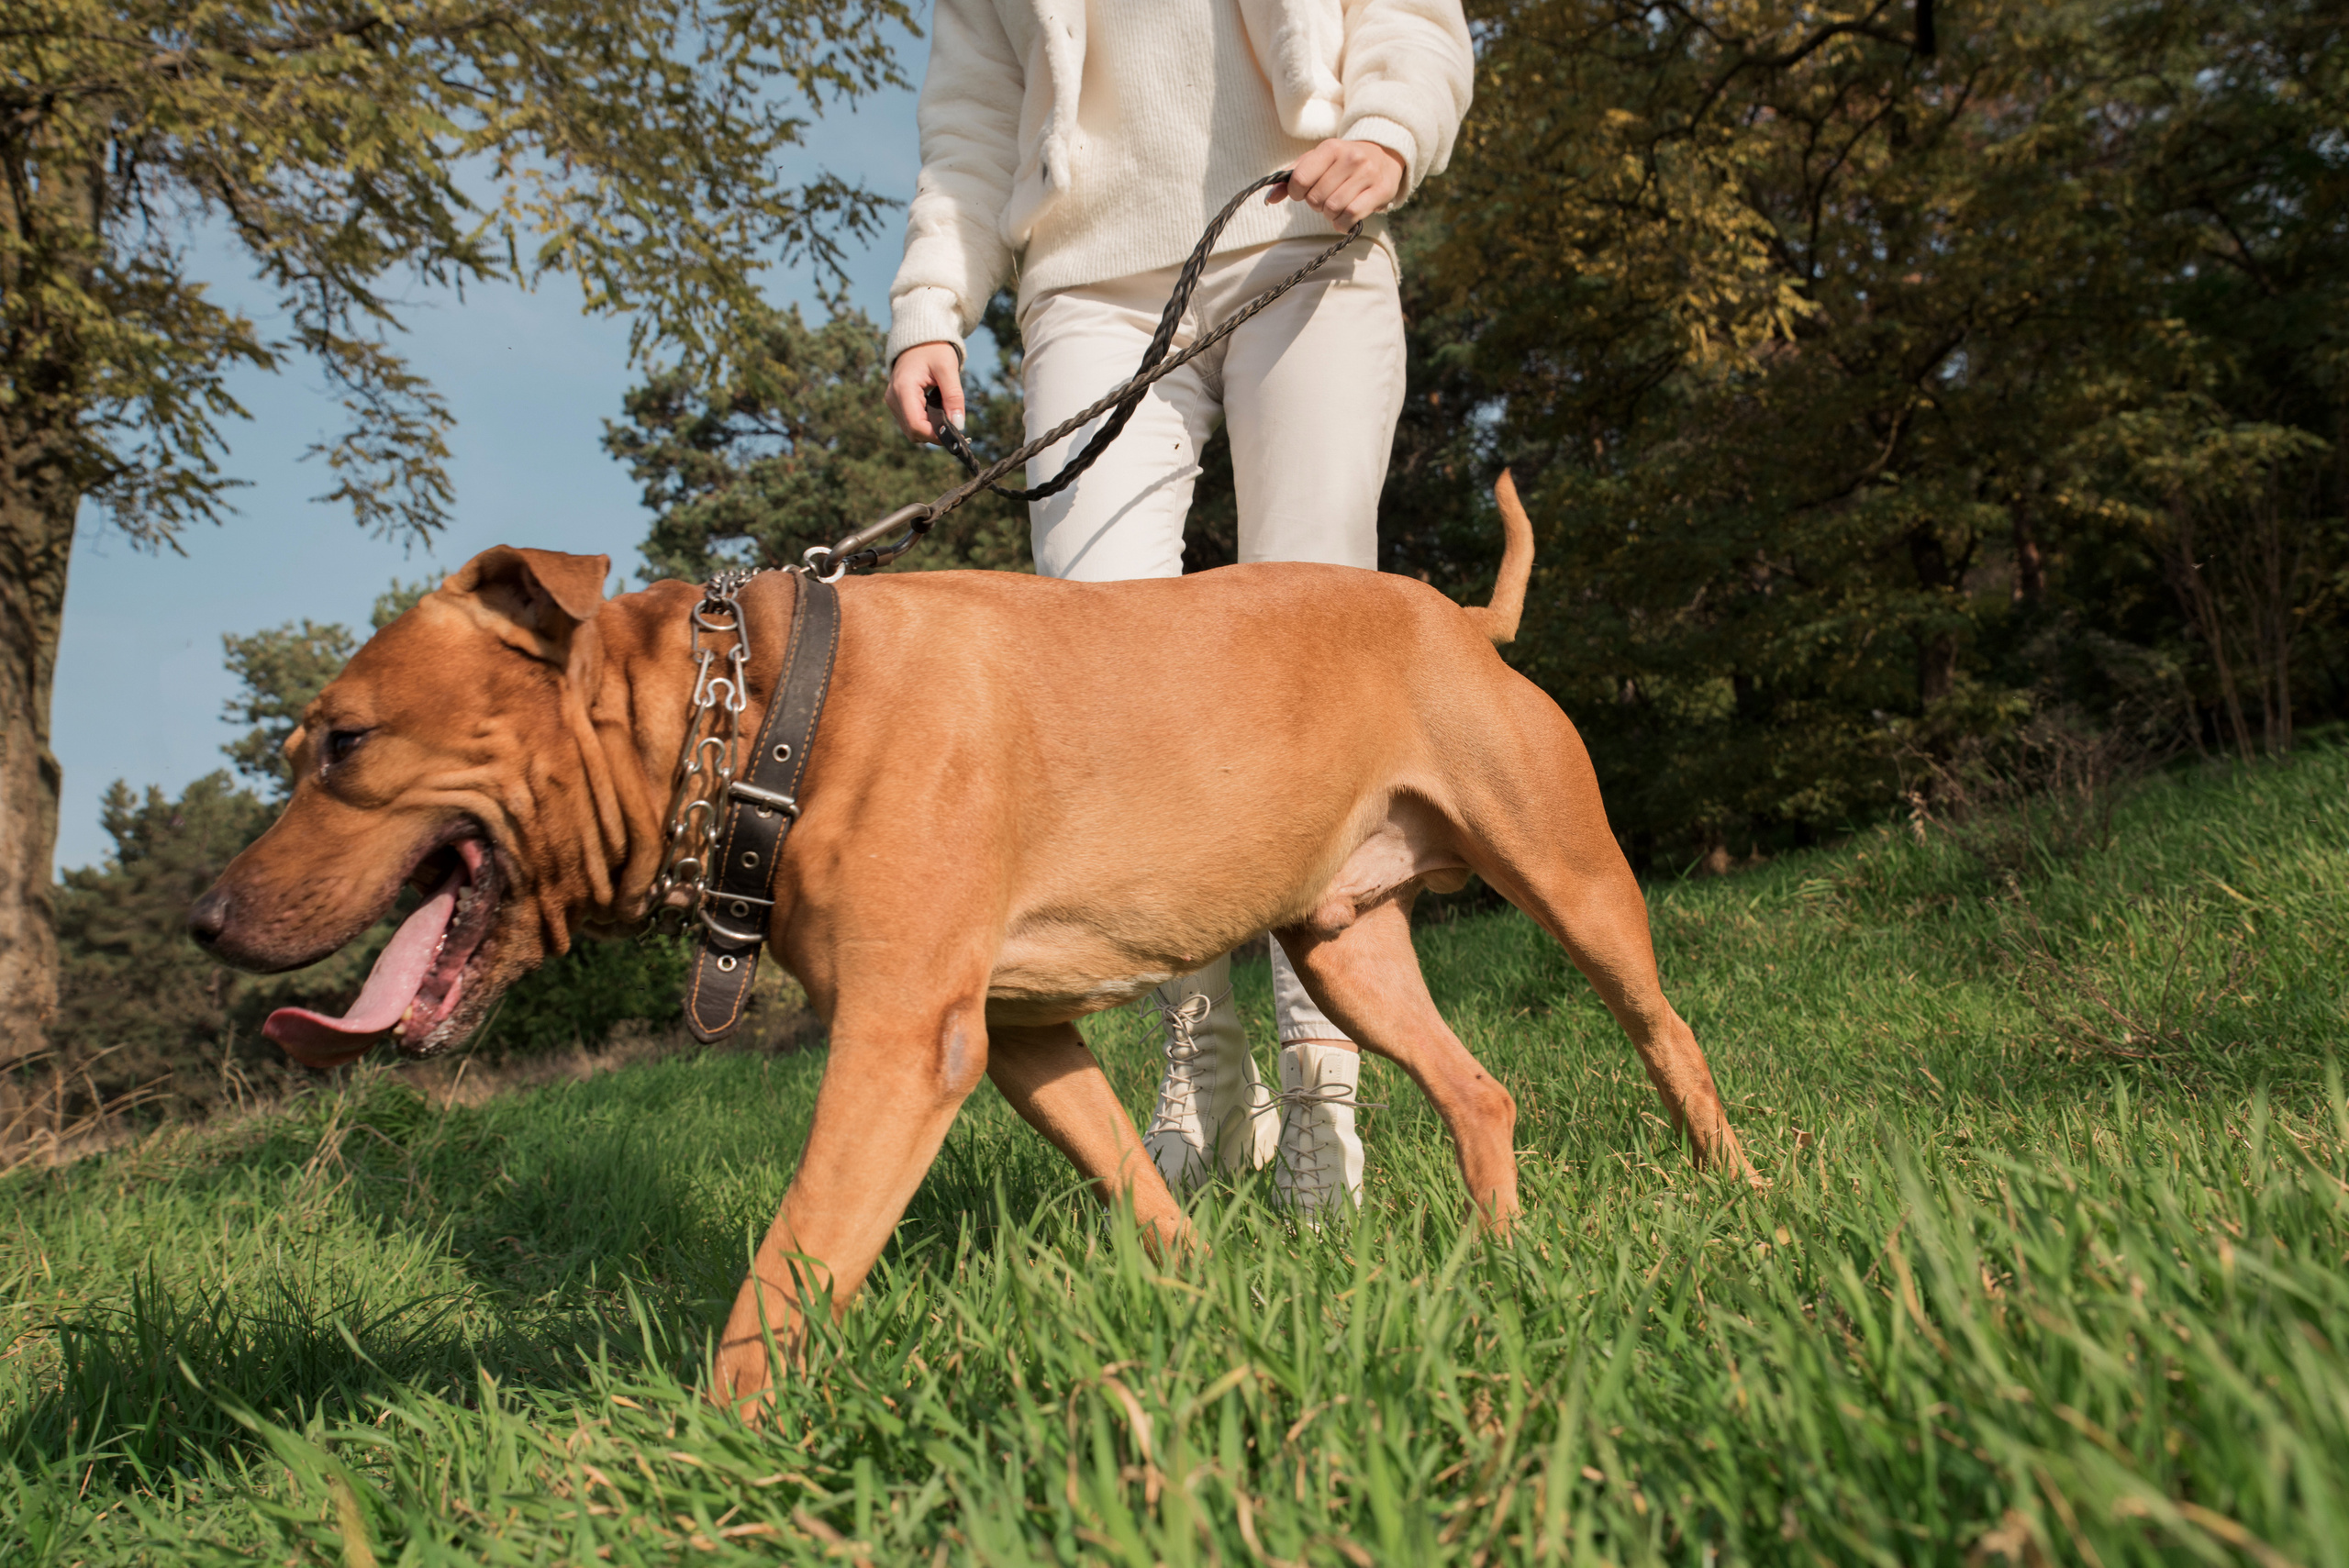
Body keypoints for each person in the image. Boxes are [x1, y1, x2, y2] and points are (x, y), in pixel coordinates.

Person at [883, 0, 1473, 1211]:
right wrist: (931, 306)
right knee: (1102, 693)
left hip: (1308, 234)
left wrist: (1391, 131)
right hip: (1087, 282)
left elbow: (1412, 17)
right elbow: (973, 112)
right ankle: (1202, 1052)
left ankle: (1324, 1083)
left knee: (1323, 678)